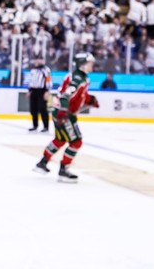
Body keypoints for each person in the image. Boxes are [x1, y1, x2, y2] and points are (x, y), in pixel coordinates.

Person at [33, 52, 99, 182]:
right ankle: (64, 170)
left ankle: (43, 162)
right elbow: (66, 96)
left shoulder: (81, 77)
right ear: (82, 65)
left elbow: (78, 95)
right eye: (90, 63)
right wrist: (64, 111)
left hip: (59, 111)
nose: (92, 66)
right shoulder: (78, 79)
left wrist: (90, 99)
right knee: (76, 141)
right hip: (64, 114)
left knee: (60, 139)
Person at [26, 55, 51, 132]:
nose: (38, 61)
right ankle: (35, 125)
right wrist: (29, 90)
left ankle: (46, 126)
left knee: (42, 108)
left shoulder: (46, 70)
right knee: (33, 109)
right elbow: (31, 80)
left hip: (42, 91)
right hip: (34, 90)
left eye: (40, 59)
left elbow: (48, 80)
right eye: (36, 59)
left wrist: (47, 91)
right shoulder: (33, 70)